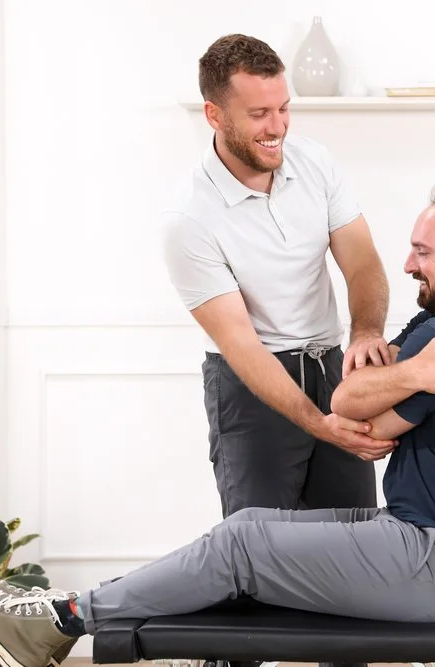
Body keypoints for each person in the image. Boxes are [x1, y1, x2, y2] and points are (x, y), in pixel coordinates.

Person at [0, 182, 435, 667]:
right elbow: (351, 404)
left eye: (423, 251)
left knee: (241, 546)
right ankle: (77, 613)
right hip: (425, 541)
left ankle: (60, 621)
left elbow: (350, 399)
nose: (408, 263)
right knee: (249, 527)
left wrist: (399, 380)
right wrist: (413, 376)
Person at [163, 33, 396, 517]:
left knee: (350, 541)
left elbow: (362, 261)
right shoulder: (189, 218)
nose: (278, 128)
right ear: (214, 115)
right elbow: (242, 346)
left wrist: (366, 332)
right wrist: (316, 422)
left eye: (284, 109)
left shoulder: (316, 163)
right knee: (257, 553)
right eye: (258, 115)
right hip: (251, 389)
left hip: (332, 370)